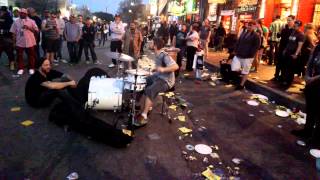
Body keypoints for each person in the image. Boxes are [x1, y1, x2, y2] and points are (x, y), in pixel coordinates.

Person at [134, 37, 179, 127]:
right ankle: (137, 104)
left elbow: (175, 66)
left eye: (151, 43)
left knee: (151, 90)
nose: (149, 44)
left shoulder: (164, 55)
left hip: (166, 81)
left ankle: (144, 115)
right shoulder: (157, 54)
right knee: (142, 81)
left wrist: (163, 69)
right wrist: (154, 70)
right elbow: (159, 67)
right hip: (158, 76)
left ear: (155, 46)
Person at [291, 28, 320, 147]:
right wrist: (307, 76)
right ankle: (307, 130)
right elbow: (310, 61)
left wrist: (313, 79)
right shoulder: (318, 47)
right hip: (311, 83)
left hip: (317, 82)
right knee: (311, 109)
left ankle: (316, 138)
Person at [231, 20, 261, 90]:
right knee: (234, 68)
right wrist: (235, 50)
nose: (249, 27)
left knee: (245, 71)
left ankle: (241, 85)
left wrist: (251, 54)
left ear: (254, 26)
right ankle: (240, 77)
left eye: (251, 25)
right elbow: (238, 42)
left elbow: (256, 46)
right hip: (239, 54)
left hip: (248, 56)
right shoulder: (244, 33)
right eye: (248, 25)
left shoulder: (256, 35)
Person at [10, 8, 39, 75]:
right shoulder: (16, 22)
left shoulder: (32, 21)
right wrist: (14, 42)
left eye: (23, 13)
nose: (22, 14)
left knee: (31, 55)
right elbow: (13, 33)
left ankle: (31, 68)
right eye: (21, 13)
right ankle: (21, 68)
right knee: (20, 56)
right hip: (20, 42)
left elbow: (36, 31)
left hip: (30, 42)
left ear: (26, 14)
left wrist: (29, 28)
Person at [271, 16, 295, 82]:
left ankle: (282, 77)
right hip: (281, 47)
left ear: (293, 20)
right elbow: (278, 36)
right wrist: (280, 30)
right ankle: (276, 76)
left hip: (289, 49)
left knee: (285, 64)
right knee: (279, 63)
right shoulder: (284, 29)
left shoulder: (294, 30)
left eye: (290, 20)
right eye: (287, 20)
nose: (288, 22)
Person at [281, 20, 304, 87]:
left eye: (296, 26)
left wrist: (296, 54)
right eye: (294, 25)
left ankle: (288, 82)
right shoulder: (293, 32)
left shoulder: (301, 34)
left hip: (293, 53)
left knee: (291, 68)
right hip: (288, 52)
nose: (295, 27)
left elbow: (300, 45)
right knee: (286, 67)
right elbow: (289, 42)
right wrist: (285, 50)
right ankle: (284, 80)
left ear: (299, 26)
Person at [0, 6, 15, 70]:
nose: (0, 12)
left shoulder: (9, 18)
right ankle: (11, 63)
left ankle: (12, 64)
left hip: (7, 38)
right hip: (1, 38)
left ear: (4, 11)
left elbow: (11, 29)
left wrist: (2, 31)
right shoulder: (1, 17)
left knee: (9, 52)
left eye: (1, 11)